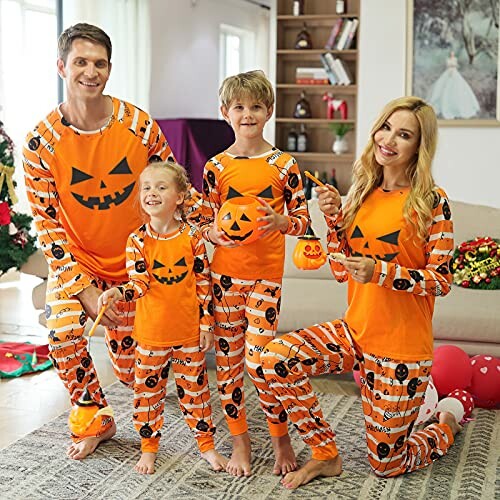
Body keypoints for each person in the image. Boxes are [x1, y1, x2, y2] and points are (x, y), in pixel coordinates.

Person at [261, 96, 460, 489]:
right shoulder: (361, 193)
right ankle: (325, 454)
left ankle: (447, 421)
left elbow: (441, 280)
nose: (389, 139)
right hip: (354, 333)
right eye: (386, 127)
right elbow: (339, 270)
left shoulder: (433, 202)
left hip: (402, 349)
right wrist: (334, 219)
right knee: (273, 358)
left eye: (404, 134)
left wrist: (380, 272)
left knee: (387, 464)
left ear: (419, 147)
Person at [22, 23, 198, 460]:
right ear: (62, 66)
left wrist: (214, 227)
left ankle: (146, 388)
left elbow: (177, 187)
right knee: (63, 334)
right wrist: (84, 291)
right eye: (80, 62)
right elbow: (48, 227)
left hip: (138, 262)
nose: (90, 71)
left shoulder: (138, 125)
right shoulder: (40, 143)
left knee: (133, 375)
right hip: (78, 263)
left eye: (99, 63)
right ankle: (94, 417)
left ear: (110, 69)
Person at [200, 70, 310, 477]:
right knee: (227, 364)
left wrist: (283, 222)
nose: (248, 114)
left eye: (256, 107)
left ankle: (281, 438)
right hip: (224, 279)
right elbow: (205, 221)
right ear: (225, 112)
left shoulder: (285, 165)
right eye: (239, 107)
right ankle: (240, 442)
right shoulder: (216, 166)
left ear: (269, 112)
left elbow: (302, 220)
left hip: (266, 280)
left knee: (260, 362)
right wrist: (211, 231)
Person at [97, 162, 227, 474]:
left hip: (187, 335)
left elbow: (203, 284)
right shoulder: (137, 241)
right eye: (146, 187)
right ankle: (149, 448)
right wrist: (118, 292)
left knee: (196, 394)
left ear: (180, 196)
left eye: (161, 187)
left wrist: (206, 324)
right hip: (150, 335)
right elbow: (139, 285)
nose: (152, 193)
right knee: (147, 395)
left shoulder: (193, 238)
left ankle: (206, 446)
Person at [427, 50, 480, 119]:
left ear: (454, 54)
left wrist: (453, 67)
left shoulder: (455, 59)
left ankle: (458, 107)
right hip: (448, 72)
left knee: (458, 87)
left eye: (453, 53)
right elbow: (448, 65)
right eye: (451, 53)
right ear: (450, 54)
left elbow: (455, 65)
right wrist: (451, 67)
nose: (452, 54)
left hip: (454, 72)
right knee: (444, 86)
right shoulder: (448, 59)